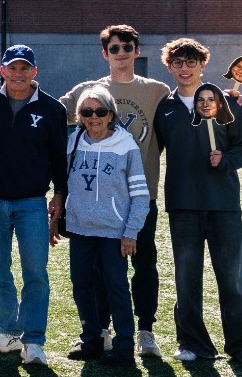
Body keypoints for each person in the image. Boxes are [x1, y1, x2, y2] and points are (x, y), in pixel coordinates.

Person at [60, 24, 172, 357]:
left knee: (143, 266)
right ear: (104, 53)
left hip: (140, 196)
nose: (120, 52)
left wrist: (228, 98)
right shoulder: (89, 90)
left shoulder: (156, 90)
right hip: (94, 210)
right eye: (114, 48)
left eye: (127, 47)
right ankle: (101, 333)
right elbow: (53, 113)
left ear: (137, 51)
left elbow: (190, 107)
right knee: (98, 273)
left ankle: (144, 331)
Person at [156, 38, 242, 366]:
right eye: (178, 63)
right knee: (186, 276)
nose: (185, 68)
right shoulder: (166, 106)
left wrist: (226, 160)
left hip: (223, 204)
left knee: (233, 276)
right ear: (170, 67)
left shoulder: (226, 102)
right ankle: (193, 342)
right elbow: (154, 151)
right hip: (182, 203)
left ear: (202, 65)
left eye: (191, 62)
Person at [0, 45, 69, 366]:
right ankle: (9, 334)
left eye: (24, 68)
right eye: (12, 68)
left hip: (32, 203)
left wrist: (60, 194)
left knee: (35, 272)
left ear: (34, 72)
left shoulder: (52, 109)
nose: (18, 74)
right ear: (2, 71)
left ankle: (35, 340)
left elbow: (58, 157)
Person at [62, 85, 151, 366]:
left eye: (100, 111)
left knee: (116, 286)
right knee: (82, 285)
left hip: (114, 230)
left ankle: (124, 347)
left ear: (111, 114)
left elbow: (140, 193)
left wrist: (131, 231)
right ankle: (92, 340)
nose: (94, 117)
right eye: (87, 112)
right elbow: (63, 184)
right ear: (80, 116)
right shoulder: (74, 141)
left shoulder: (126, 146)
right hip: (80, 228)